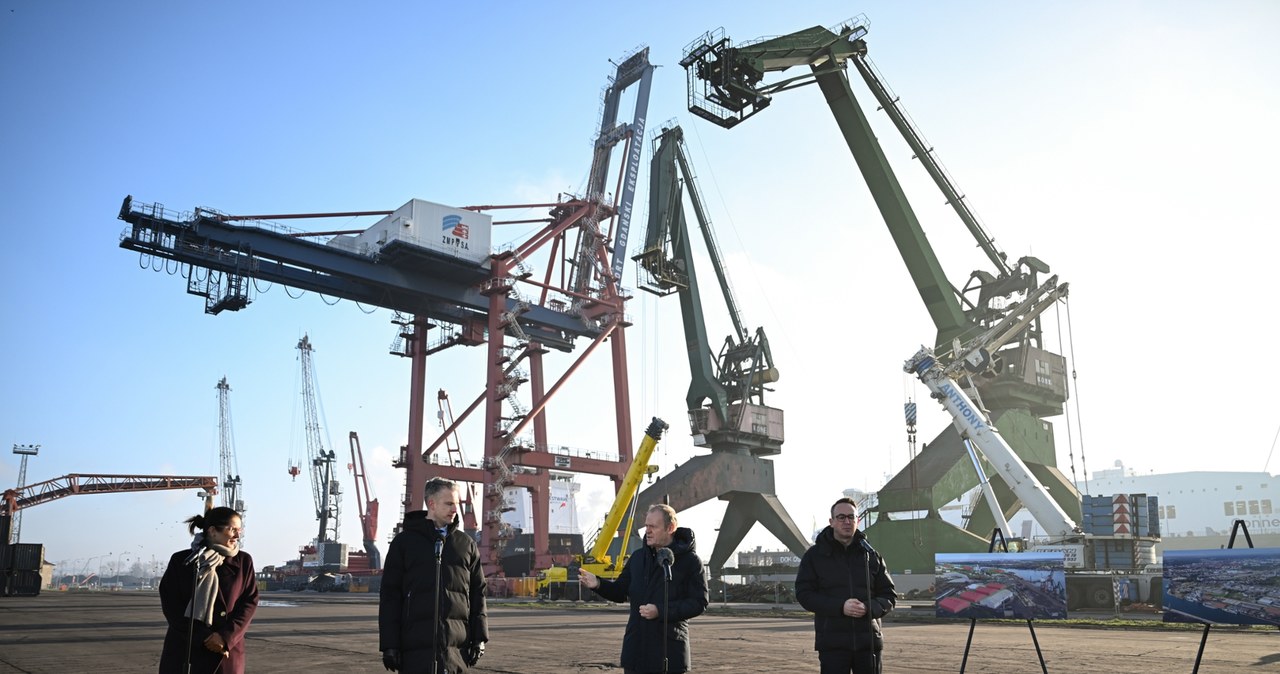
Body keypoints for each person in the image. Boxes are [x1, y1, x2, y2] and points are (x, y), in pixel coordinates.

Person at [579, 503, 708, 674]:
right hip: (636, 653)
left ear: (671, 528)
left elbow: (699, 602)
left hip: (669, 653)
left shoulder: (691, 562)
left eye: (653, 526)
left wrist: (660, 611)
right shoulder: (638, 558)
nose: (647, 530)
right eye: (646, 526)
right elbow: (620, 591)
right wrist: (598, 584)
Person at [380, 477, 488, 673]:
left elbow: (477, 593)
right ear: (431, 503)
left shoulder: (466, 545)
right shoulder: (403, 544)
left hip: (455, 654)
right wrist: (389, 644)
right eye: (449, 503)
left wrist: (480, 638)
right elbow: (390, 596)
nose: (455, 509)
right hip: (414, 653)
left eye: (456, 504)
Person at [796, 497, 896, 673]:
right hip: (833, 645)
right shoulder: (814, 556)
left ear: (858, 520)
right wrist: (841, 607)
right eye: (841, 517)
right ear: (831, 522)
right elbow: (804, 594)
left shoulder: (871, 555)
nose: (847, 521)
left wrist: (868, 608)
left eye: (851, 517)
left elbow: (889, 596)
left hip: (869, 644)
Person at [158, 506, 259, 674]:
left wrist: (225, 637)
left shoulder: (243, 562)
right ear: (212, 531)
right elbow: (171, 605)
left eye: (239, 530)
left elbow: (249, 602)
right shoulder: (182, 561)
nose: (237, 535)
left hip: (225, 651)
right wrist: (204, 637)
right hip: (186, 649)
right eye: (232, 529)